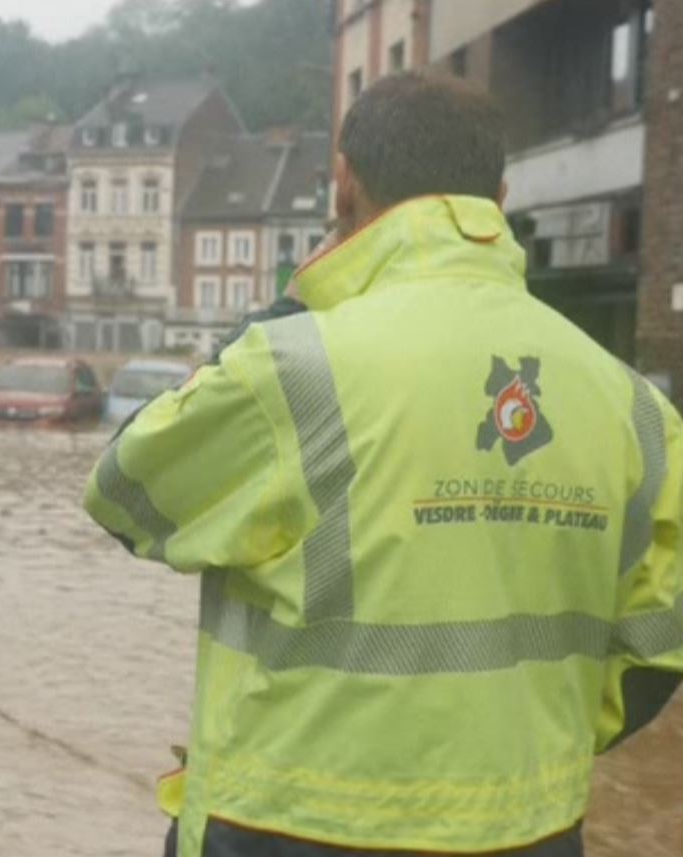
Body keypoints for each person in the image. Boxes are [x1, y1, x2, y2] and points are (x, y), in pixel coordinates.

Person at [84, 72, 683, 857]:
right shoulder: (636, 407)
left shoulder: (292, 367)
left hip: (286, 826)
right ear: (498, 198)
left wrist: (293, 306)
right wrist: (525, 744)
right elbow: (657, 647)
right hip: (528, 827)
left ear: (342, 185)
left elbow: (126, 490)